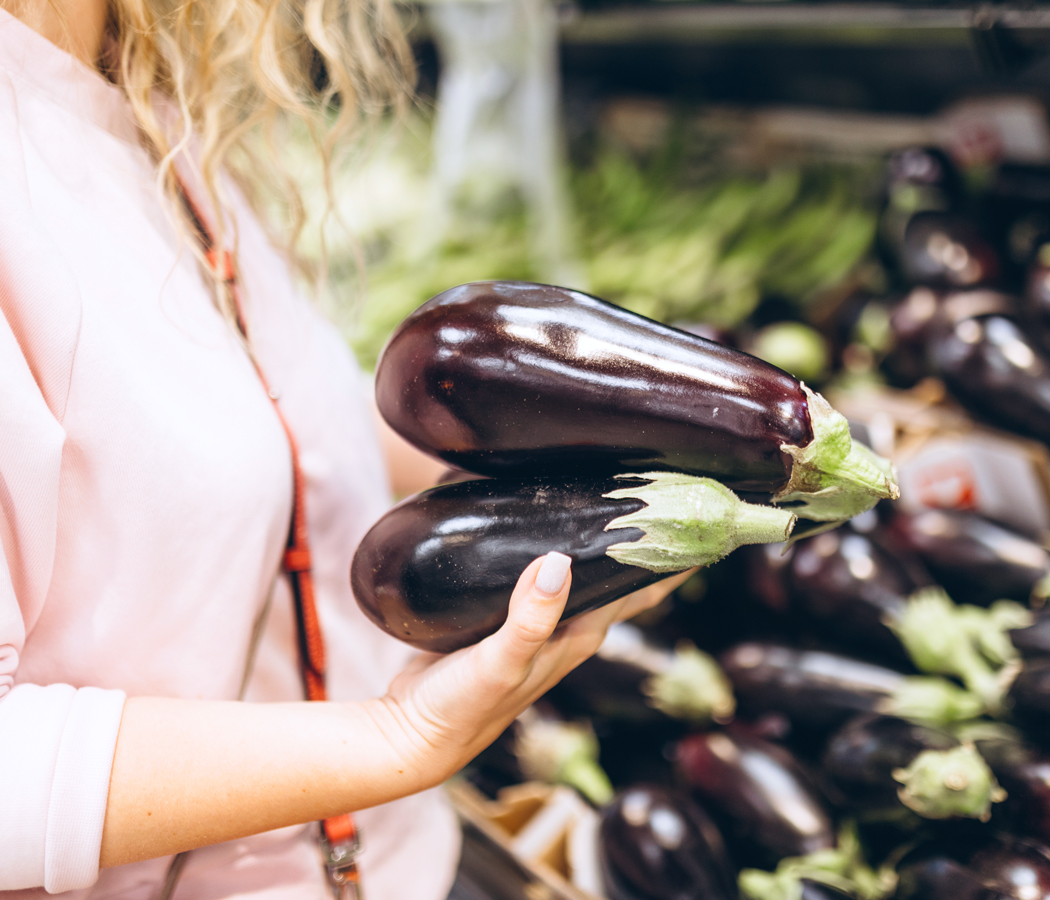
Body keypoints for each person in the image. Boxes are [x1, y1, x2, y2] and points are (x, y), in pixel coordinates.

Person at [0, 0, 689, 895]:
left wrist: (598, 488)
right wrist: (393, 739)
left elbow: (270, 448)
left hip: (396, 859)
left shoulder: (144, 103)